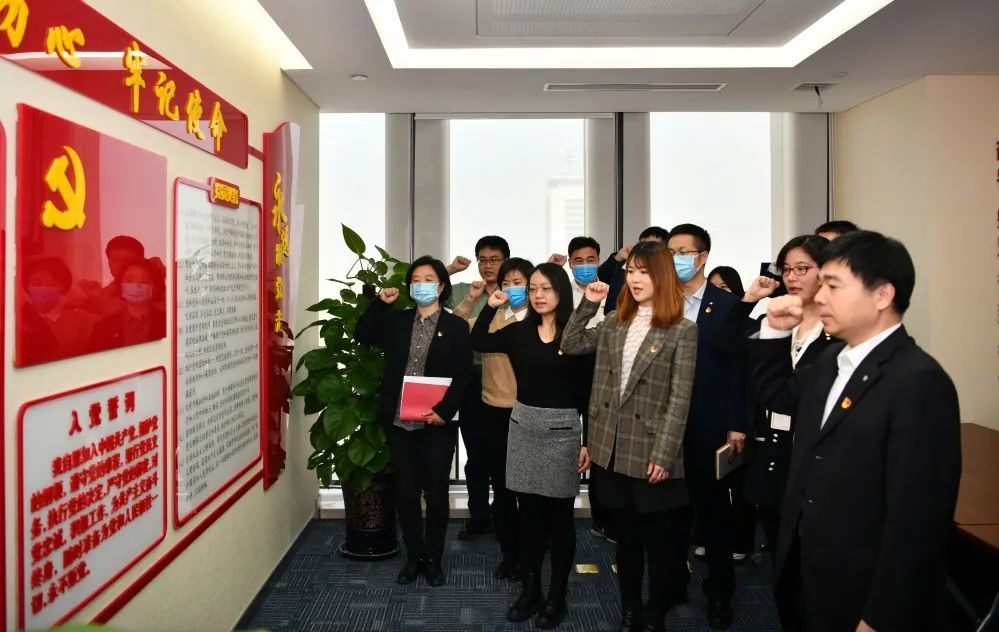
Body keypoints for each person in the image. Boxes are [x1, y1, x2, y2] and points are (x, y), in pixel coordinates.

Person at [759, 231, 961, 631]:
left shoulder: (919, 381)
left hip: (862, 591)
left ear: (882, 295)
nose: (819, 297)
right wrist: (775, 332)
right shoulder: (831, 361)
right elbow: (776, 397)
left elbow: (917, 522)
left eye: (833, 286)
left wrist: (881, 616)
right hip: (807, 571)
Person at [561, 241, 697, 632]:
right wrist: (588, 304)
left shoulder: (683, 330)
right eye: (632, 271)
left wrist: (664, 454)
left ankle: (656, 611)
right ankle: (631, 608)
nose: (635, 279)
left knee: (659, 542)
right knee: (626, 539)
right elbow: (570, 344)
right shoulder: (614, 322)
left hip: (652, 451)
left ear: (663, 276)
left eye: (645, 272)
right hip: (612, 449)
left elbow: (680, 398)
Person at [722, 235, 837, 627]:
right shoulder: (775, 321)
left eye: (803, 268)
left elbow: (789, 394)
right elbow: (725, 344)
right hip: (771, 455)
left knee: (816, 570)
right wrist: (751, 299)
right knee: (781, 562)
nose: (792, 277)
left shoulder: (838, 333)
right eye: (787, 269)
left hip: (815, 462)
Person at [470, 263, 591, 629]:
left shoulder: (575, 336)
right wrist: (490, 306)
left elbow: (587, 392)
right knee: (530, 516)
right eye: (533, 288)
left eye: (546, 288)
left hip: (563, 432)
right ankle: (532, 589)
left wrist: (587, 440)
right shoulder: (517, 332)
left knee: (560, 519)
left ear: (561, 292)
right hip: (523, 428)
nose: (538, 295)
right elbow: (478, 341)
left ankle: (557, 595)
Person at [354, 256, 473, 587]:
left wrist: (444, 411)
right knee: (406, 493)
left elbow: (464, 375)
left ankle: (433, 558)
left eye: (428, 279)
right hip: (400, 422)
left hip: (437, 423)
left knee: (435, 494)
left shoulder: (456, 326)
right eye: (415, 279)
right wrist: (381, 304)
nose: (421, 285)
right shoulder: (397, 321)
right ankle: (413, 556)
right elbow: (363, 334)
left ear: (441, 285)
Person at [667, 223, 745, 629]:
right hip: (666, 424)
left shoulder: (727, 305)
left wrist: (736, 423)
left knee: (714, 512)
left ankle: (720, 592)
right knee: (671, 511)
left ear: (702, 257)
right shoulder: (660, 301)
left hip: (710, 422)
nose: (676, 258)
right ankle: (674, 582)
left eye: (683, 251)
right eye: (671, 251)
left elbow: (738, 370)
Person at [471, 256, 534, 581]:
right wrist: (489, 305)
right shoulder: (495, 315)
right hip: (493, 410)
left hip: (530, 413)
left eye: (518, 283)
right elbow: (475, 338)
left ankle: (530, 553)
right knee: (503, 488)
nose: (511, 288)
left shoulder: (541, 320)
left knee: (530, 491)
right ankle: (510, 553)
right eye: (506, 283)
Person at [447, 235, 511, 540]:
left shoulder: (514, 293)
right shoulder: (463, 290)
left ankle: (504, 514)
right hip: (471, 379)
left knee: (504, 454)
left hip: (505, 380)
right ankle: (479, 515)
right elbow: (426, 288)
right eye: (483, 260)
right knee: (475, 453)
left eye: (494, 260)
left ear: (505, 261)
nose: (488, 266)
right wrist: (450, 269)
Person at [565, 236, 614, 543]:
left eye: (590, 260)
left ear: (599, 260)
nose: (585, 266)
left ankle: (602, 517)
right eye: (578, 261)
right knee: (569, 442)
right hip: (571, 372)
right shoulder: (562, 292)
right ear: (570, 263)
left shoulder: (614, 292)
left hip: (604, 372)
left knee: (599, 445)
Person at [19, 256, 100, 365]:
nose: (44, 289)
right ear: (26, 287)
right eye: (37, 283)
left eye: (53, 284)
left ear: (63, 288)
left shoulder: (87, 320)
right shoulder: (16, 322)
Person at [90, 258, 167, 351]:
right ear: (120, 285)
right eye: (129, 280)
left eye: (145, 281)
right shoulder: (103, 328)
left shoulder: (168, 321)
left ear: (156, 288)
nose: (137, 285)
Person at [597, 226, 669, 315]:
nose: (645, 250)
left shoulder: (667, 273)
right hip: (617, 319)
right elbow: (600, 278)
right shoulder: (625, 266)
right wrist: (618, 258)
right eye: (642, 245)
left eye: (652, 246)